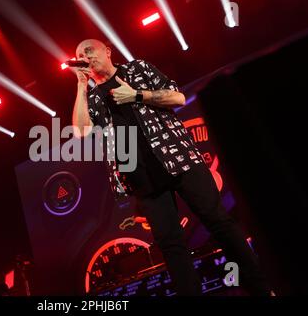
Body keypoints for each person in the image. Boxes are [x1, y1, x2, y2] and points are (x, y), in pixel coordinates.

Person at [72, 39, 271, 296]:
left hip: (179, 159)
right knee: (171, 246)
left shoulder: (138, 69)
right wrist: (80, 85)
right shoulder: (93, 95)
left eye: (89, 51)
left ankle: (261, 287)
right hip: (140, 176)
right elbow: (80, 131)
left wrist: (136, 94)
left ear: (107, 51)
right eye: (79, 55)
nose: (85, 57)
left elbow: (177, 97)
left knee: (219, 221)